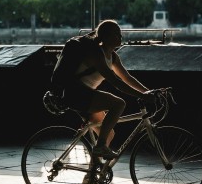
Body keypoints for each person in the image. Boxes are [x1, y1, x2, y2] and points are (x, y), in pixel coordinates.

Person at [61, 19, 150, 159]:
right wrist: (142, 96)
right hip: (76, 93)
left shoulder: (113, 57)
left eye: (120, 34)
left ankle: (92, 173)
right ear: (106, 36)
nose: (120, 37)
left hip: (87, 95)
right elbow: (115, 81)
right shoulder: (96, 53)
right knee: (119, 104)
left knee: (108, 134)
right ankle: (100, 146)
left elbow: (127, 78)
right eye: (116, 34)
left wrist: (147, 91)